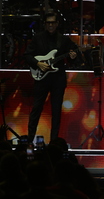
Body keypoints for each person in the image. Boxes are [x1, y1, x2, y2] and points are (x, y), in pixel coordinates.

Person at [24, 11, 77, 143]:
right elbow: (27, 55)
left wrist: (73, 56)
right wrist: (38, 64)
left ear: (57, 23)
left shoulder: (64, 40)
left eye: (53, 22)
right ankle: (29, 140)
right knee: (36, 108)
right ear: (45, 24)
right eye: (48, 23)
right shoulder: (38, 38)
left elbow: (73, 56)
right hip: (41, 79)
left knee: (56, 111)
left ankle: (54, 142)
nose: (51, 25)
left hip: (57, 79)